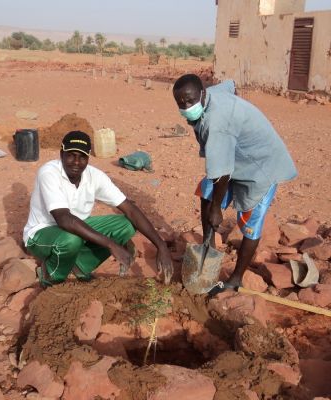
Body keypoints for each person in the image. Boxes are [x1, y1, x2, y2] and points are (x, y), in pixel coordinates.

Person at [172, 74, 297, 294]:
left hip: (262, 166)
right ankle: (208, 246)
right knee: (207, 191)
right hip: (238, 158)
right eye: (181, 103)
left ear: (202, 93)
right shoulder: (213, 93)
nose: (186, 107)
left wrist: (216, 210)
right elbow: (231, 85)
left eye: (190, 101)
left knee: (250, 221)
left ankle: (237, 277)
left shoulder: (216, 123)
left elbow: (222, 174)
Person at [23, 130, 173, 287]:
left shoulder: (95, 176)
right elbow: (64, 219)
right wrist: (111, 245)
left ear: (88, 158)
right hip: (41, 233)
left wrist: (161, 246)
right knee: (70, 240)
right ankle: (51, 275)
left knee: (127, 224)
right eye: (71, 155)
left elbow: (130, 209)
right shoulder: (49, 172)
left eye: (82, 157)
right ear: (61, 154)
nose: (76, 162)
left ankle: (79, 265)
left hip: (75, 228)